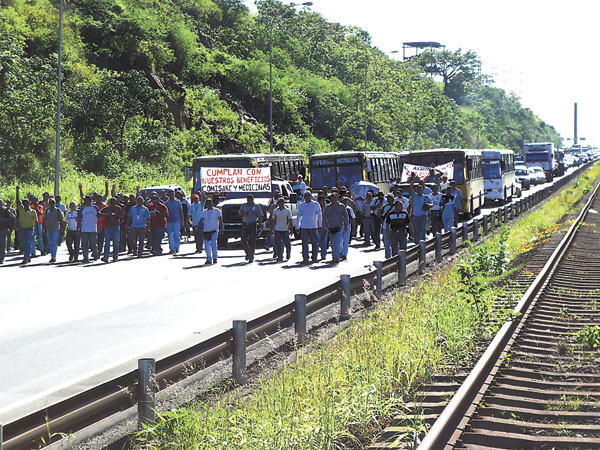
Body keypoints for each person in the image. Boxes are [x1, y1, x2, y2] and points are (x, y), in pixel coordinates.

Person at [297, 191, 322, 264]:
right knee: (304, 244)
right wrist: (297, 226)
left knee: (314, 243)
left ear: (311, 196)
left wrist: (320, 225)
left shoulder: (316, 204)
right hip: (304, 227)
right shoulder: (302, 205)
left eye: (309, 195)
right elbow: (299, 216)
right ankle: (305, 258)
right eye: (306, 195)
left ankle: (314, 257)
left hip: (313, 226)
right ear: (304, 197)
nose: (307, 197)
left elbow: (320, 215)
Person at [323, 193, 349, 264]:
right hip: (331, 227)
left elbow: (346, 217)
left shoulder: (342, 206)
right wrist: (323, 226)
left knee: (337, 242)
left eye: (335, 197)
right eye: (332, 197)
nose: (333, 199)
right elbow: (324, 217)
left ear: (337, 197)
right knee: (332, 243)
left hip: (339, 227)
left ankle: (336, 258)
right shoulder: (328, 207)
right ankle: (334, 256)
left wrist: (346, 226)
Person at [15, 187, 39, 264]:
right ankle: (27, 256)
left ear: (29, 204)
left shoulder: (33, 212)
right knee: (23, 244)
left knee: (28, 244)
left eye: (26, 203)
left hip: (30, 229)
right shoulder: (21, 209)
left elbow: (36, 222)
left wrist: (38, 231)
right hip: (22, 229)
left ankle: (26, 258)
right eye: (23, 203)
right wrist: (17, 191)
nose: (24, 204)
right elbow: (17, 201)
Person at [239, 194, 264, 263]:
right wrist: (243, 214)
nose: (249, 201)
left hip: (252, 224)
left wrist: (261, 226)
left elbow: (259, 217)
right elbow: (240, 213)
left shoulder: (256, 207)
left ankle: (251, 256)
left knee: (252, 241)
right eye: (248, 199)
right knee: (243, 240)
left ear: (253, 200)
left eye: (250, 199)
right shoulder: (244, 206)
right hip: (245, 224)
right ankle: (248, 252)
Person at [99, 198, 125, 262]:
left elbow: (123, 216)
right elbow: (99, 213)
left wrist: (116, 216)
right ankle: (106, 257)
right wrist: (107, 214)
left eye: (114, 202)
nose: (112, 203)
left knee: (115, 242)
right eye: (111, 202)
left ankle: (115, 257)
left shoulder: (118, 208)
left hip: (116, 226)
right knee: (107, 242)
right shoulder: (107, 208)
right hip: (108, 226)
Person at [199, 199, 223, 265]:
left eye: (210, 203)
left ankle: (215, 257)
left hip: (214, 230)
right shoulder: (204, 212)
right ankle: (209, 259)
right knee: (207, 246)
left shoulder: (216, 211)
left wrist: (221, 228)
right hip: (206, 230)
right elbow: (201, 220)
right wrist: (197, 227)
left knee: (213, 244)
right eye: (207, 204)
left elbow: (220, 220)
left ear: (212, 203)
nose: (209, 205)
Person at [42, 198, 65, 264]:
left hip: (55, 229)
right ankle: (52, 254)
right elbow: (44, 220)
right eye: (50, 203)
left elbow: (61, 220)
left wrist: (62, 229)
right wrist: (43, 228)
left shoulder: (58, 211)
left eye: (53, 203)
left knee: (54, 243)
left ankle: (53, 256)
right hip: (48, 229)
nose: (52, 204)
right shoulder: (47, 211)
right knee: (50, 243)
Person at [270, 197, 293, 262]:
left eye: (282, 202)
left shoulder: (287, 211)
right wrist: (272, 229)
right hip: (278, 229)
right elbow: (273, 220)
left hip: (285, 229)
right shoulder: (275, 211)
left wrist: (291, 230)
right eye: (279, 202)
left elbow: (290, 220)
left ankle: (288, 253)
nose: (281, 204)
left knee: (287, 243)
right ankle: (280, 256)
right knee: (278, 244)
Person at [78, 195, 100, 263]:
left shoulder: (95, 208)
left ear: (90, 201)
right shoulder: (82, 209)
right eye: (85, 200)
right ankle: (86, 257)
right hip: (84, 229)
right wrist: (78, 228)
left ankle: (95, 253)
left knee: (93, 243)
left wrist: (100, 226)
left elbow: (99, 217)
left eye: (87, 200)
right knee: (84, 244)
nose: (86, 202)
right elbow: (79, 219)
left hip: (93, 228)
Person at [378, 193, 396, 258]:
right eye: (388, 198)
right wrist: (380, 207)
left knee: (394, 243)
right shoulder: (384, 207)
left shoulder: (396, 206)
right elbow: (379, 215)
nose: (389, 200)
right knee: (386, 243)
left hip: (394, 227)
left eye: (390, 198)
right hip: (386, 227)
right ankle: (388, 257)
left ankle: (395, 256)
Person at [0, 199, 16, 264]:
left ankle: (1, 259)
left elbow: (12, 218)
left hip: (3, 229)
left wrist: (4, 221)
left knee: (2, 244)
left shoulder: (5, 211)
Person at [340, 196, 356, 261]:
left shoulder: (349, 209)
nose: (344, 202)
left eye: (346, 201)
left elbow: (353, 219)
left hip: (347, 225)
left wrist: (354, 229)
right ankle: (340, 252)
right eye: (343, 200)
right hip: (340, 225)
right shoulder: (339, 208)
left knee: (346, 240)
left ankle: (344, 254)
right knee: (340, 240)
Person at [316, 195, 329, 260]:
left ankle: (323, 255)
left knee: (324, 242)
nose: (323, 202)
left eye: (324, 201)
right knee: (316, 242)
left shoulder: (327, 208)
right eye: (322, 201)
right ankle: (315, 255)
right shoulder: (315, 207)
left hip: (324, 226)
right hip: (316, 226)